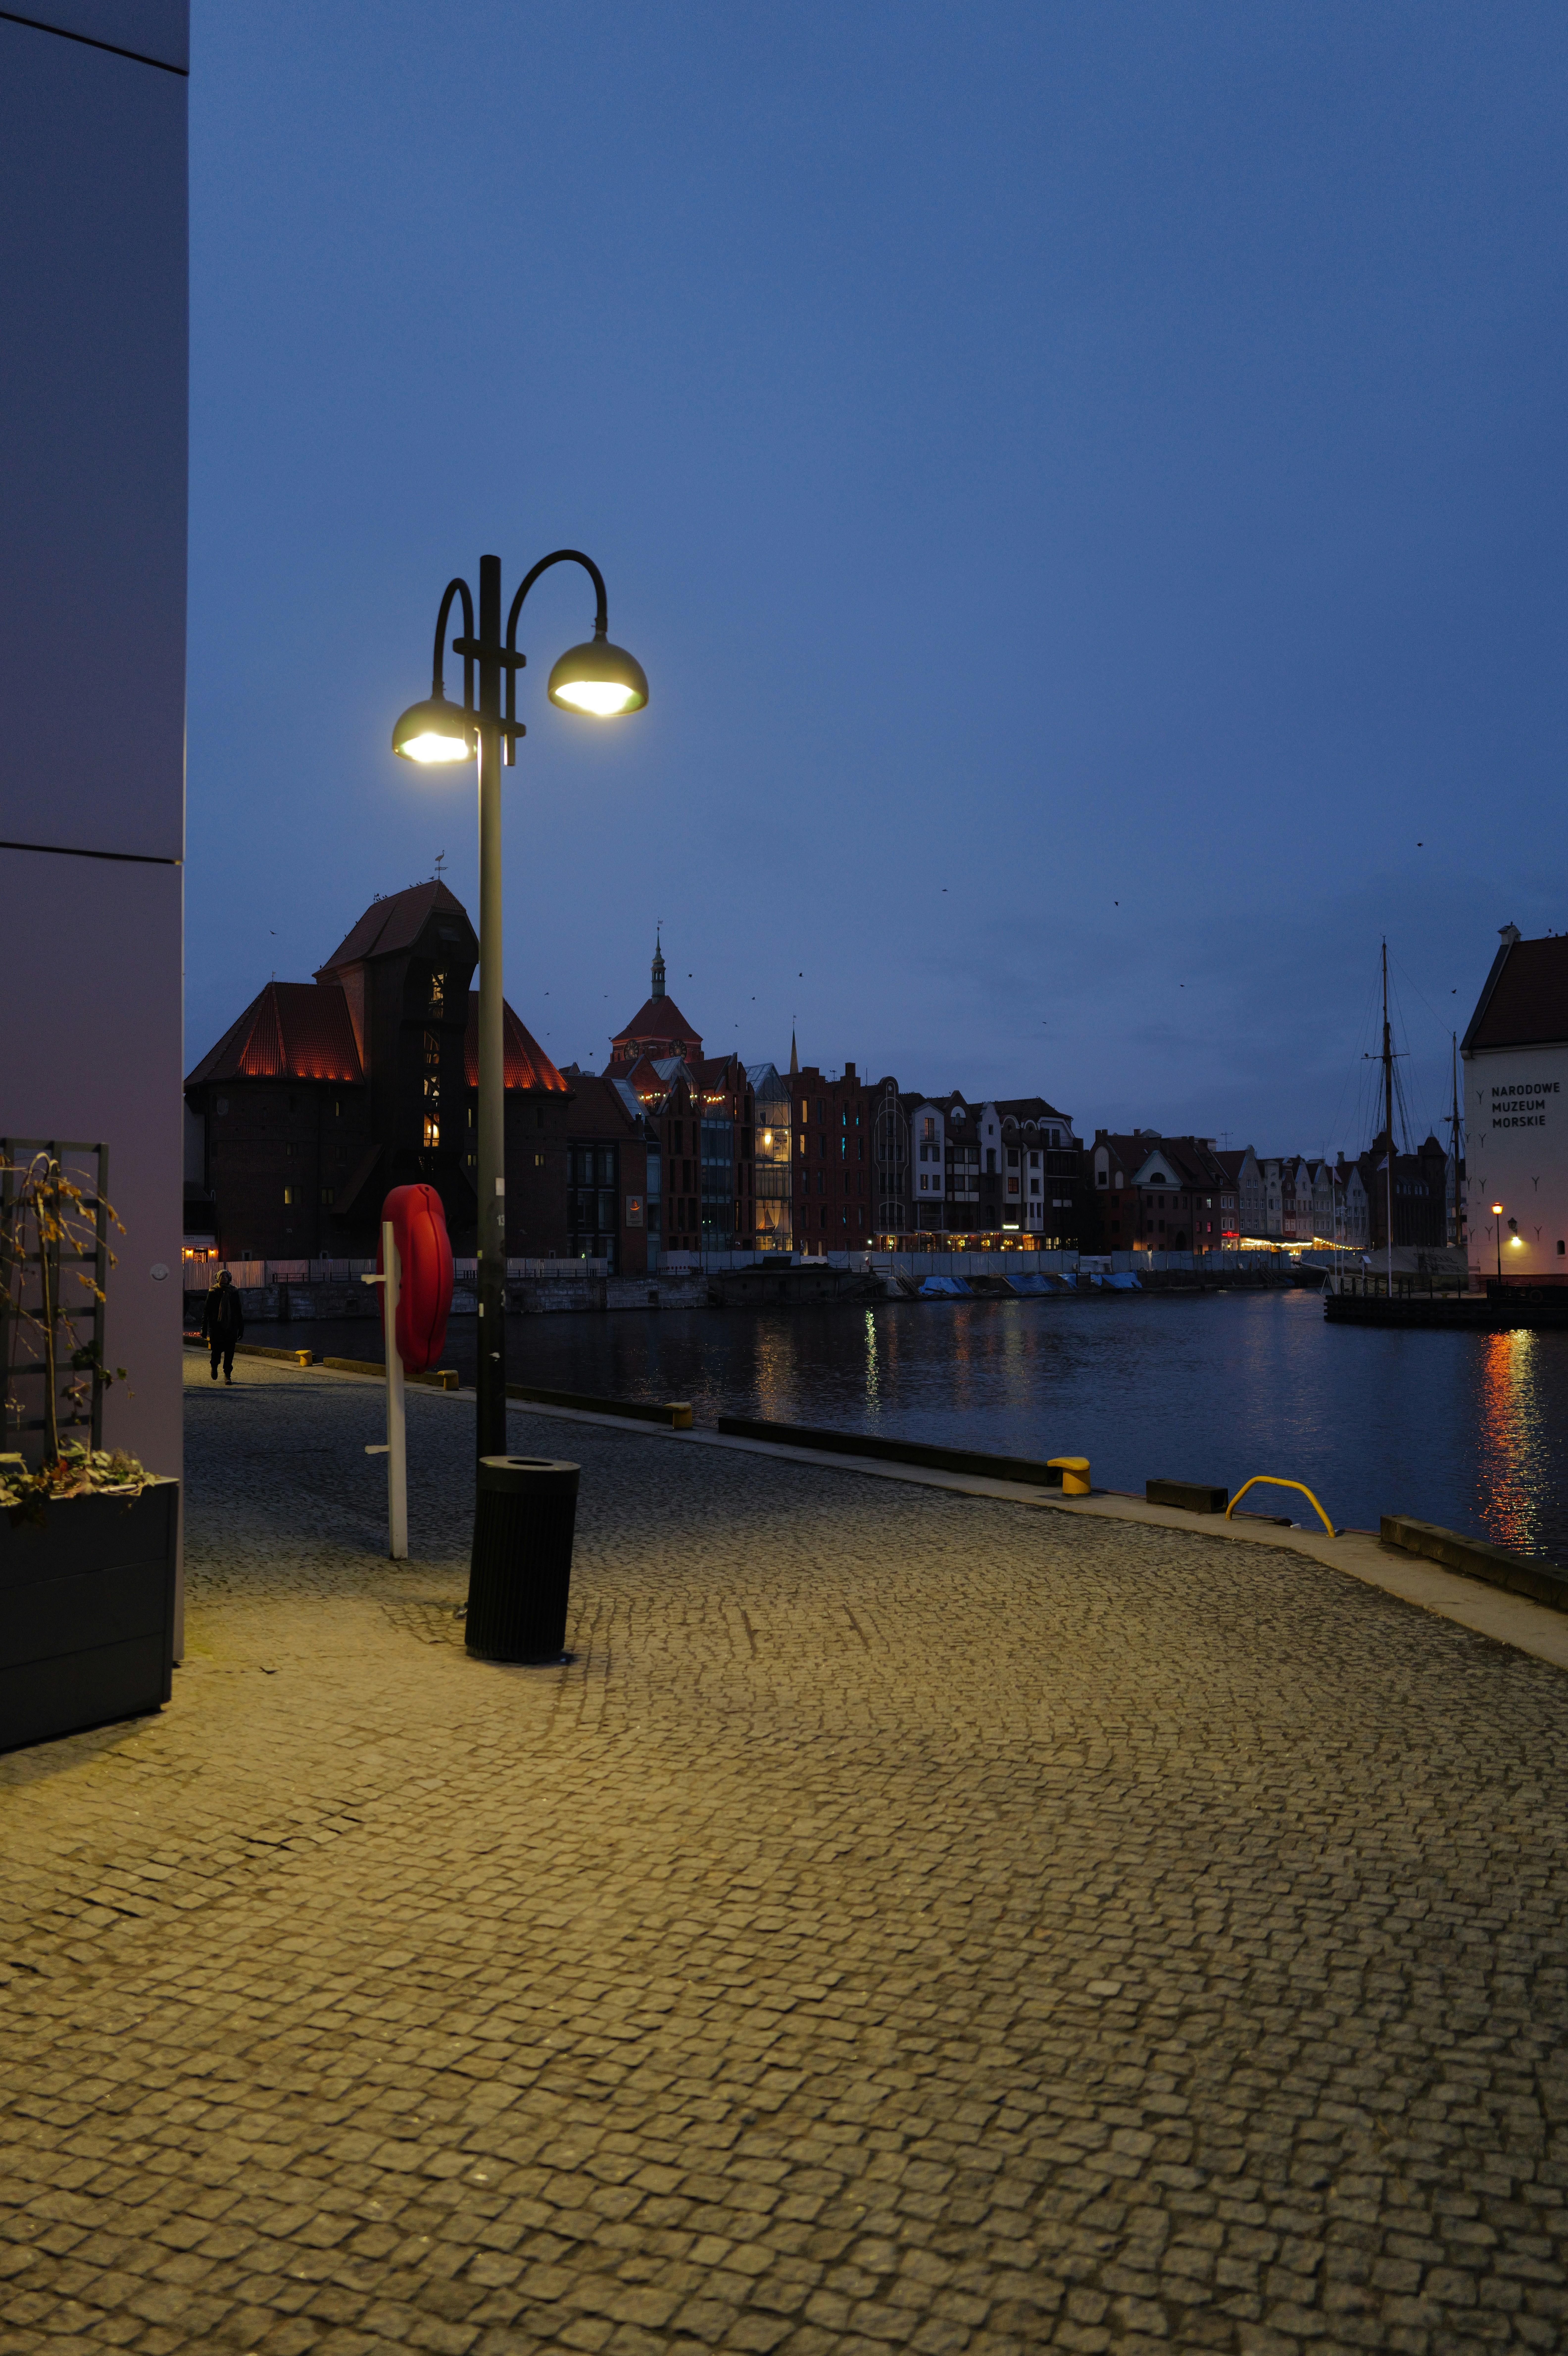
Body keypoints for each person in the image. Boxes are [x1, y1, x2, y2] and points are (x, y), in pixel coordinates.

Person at [202, 1268, 244, 1383]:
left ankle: (227, 1375)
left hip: (231, 1326)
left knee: (230, 1353)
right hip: (217, 1327)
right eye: (222, 1277)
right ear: (218, 1278)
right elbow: (207, 1311)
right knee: (216, 1352)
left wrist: (241, 1328)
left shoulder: (234, 1292)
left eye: (226, 1277)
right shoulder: (213, 1292)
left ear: (229, 1279)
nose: (224, 1278)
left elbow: (238, 1311)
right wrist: (204, 1328)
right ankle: (214, 1367)